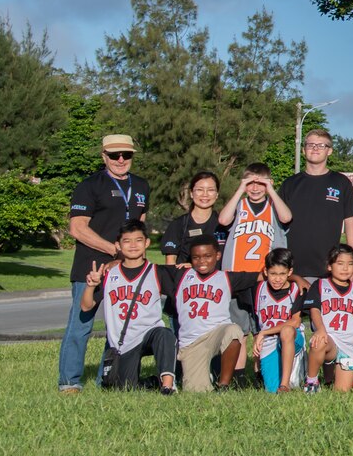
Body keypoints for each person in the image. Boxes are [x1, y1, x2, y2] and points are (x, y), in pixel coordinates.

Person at [60, 133, 151, 392]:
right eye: (114, 155)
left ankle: (107, 380)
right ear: (104, 156)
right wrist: (114, 250)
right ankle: (70, 382)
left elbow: (140, 224)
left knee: (118, 329)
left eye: (126, 155)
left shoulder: (142, 186)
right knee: (80, 326)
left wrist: (133, 255)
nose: (120, 160)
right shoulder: (89, 185)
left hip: (126, 269)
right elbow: (77, 229)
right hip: (92, 266)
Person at [84, 221, 177, 393]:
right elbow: (86, 306)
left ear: (147, 243)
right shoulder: (109, 274)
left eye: (138, 240)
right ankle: (152, 383)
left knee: (164, 334)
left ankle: (168, 385)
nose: (133, 245)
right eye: (127, 241)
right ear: (118, 245)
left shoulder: (157, 271)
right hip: (124, 344)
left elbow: (180, 295)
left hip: (149, 334)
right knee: (127, 388)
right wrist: (91, 285)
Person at [278, 127, 353, 281]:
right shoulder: (290, 184)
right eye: (310, 144)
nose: (315, 148)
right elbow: (277, 225)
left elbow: (349, 222)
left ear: (329, 151)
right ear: (303, 150)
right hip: (293, 269)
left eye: (321, 145)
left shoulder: (341, 182)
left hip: (328, 268)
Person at [171, 234, 244, 392]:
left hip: (215, 334)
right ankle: (205, 378)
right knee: (196, 392)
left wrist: (294, 277)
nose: (202, 261)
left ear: (217, 255)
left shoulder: (226, 277)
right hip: (191, 344)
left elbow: (265, 276)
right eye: (196, 257)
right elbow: (147, 269)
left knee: (233, 331)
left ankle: (223, 385)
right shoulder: (180, 275)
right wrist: (116, 262)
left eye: (207, 256)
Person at [302, 243, 353, 392]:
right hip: (329, 339)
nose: (345, 268)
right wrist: (320, 330)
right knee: (319, 341)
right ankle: (311, 382)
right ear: (329, 266)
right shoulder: (320, 284)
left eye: (350, 264)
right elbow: (315, 310)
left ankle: (335, 377)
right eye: (340, 263)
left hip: (350, 346)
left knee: (341, 393)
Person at [238, 248, 304, 392]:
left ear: (290, 272)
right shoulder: (257, 288)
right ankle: (278, 384)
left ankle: (285, 385)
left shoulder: (297, 289)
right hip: (269, 342)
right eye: (273, 274)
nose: (277, 279)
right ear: (266, 272)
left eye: (282, 274)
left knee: (286, 330)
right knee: (271, 390)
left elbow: (295, 322)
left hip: (293, 338)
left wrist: (263, 333)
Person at [218, 163, 290, 295]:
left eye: (261, 183)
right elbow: (223, 220)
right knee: (237, 314)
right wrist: (240, 190)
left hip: (266, 276)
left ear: (269, 183)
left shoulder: (275, 207)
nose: (255, 188)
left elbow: (286, 218)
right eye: (250, 183)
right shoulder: (238, 205)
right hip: (236, 274)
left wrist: (271, 190)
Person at [161, 172, 225, 265]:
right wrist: (192, 270)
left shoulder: (224, 224)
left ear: (217, 194)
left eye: (211, 190)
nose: (205, 194)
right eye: (200, 190)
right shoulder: (178, 224)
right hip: (186, 278)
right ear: (191, 193)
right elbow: (170, 262)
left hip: (218, 278)